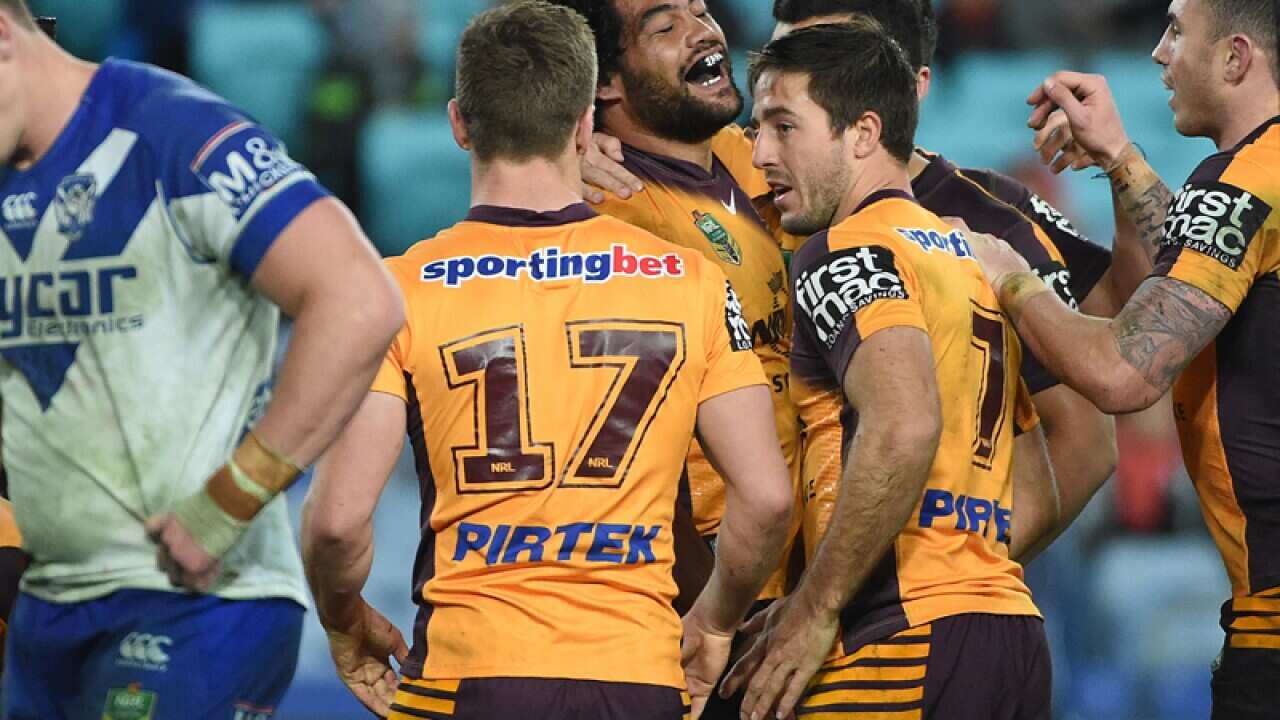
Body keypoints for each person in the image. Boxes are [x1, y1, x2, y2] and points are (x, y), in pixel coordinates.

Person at [298, 3, 794, 718]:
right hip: (638, 674)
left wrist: (345, 621)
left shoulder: (394, 292)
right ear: (585, 126)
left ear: (460, 125)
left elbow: (338, 522)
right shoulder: (690, 282)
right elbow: (768, 500)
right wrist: (713, 624)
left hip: (465, 674)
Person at [0, 0, 405, 715]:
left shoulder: (171, 130)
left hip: (197, 605)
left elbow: (358, 299)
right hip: (47, 610)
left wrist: (233, 498)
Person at [722, 22, 1056, 720]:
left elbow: (904, 423)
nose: (760, 156)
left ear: (864, 132)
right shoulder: (971, 259)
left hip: (896, 643)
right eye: (757, 129)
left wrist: (818, 605)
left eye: (785, 127)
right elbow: (1041, 490)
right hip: (1009, 630)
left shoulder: (844, 250)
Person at [967, 0, 1278, 716]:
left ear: (1235, 59)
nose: (1158, 53)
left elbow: (1124, 371)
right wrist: (1120, 158)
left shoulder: (1243, 179)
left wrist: (1008, 277)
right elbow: (1203, 266)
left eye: (1175, 32)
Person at [765, 0, 1125, 562]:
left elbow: (1083, 444)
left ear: (909, 85)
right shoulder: (736, 182)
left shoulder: (988, 220)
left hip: (888, 605)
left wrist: (955, 577)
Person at [547, 0, 803, 607]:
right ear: (605, 81)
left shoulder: (747, 155)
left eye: (701, 9)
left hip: (802, 572)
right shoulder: (614, 219)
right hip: (727, 589)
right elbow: (629, 451)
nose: (702, 31)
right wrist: (713, 614)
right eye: (665, 27)